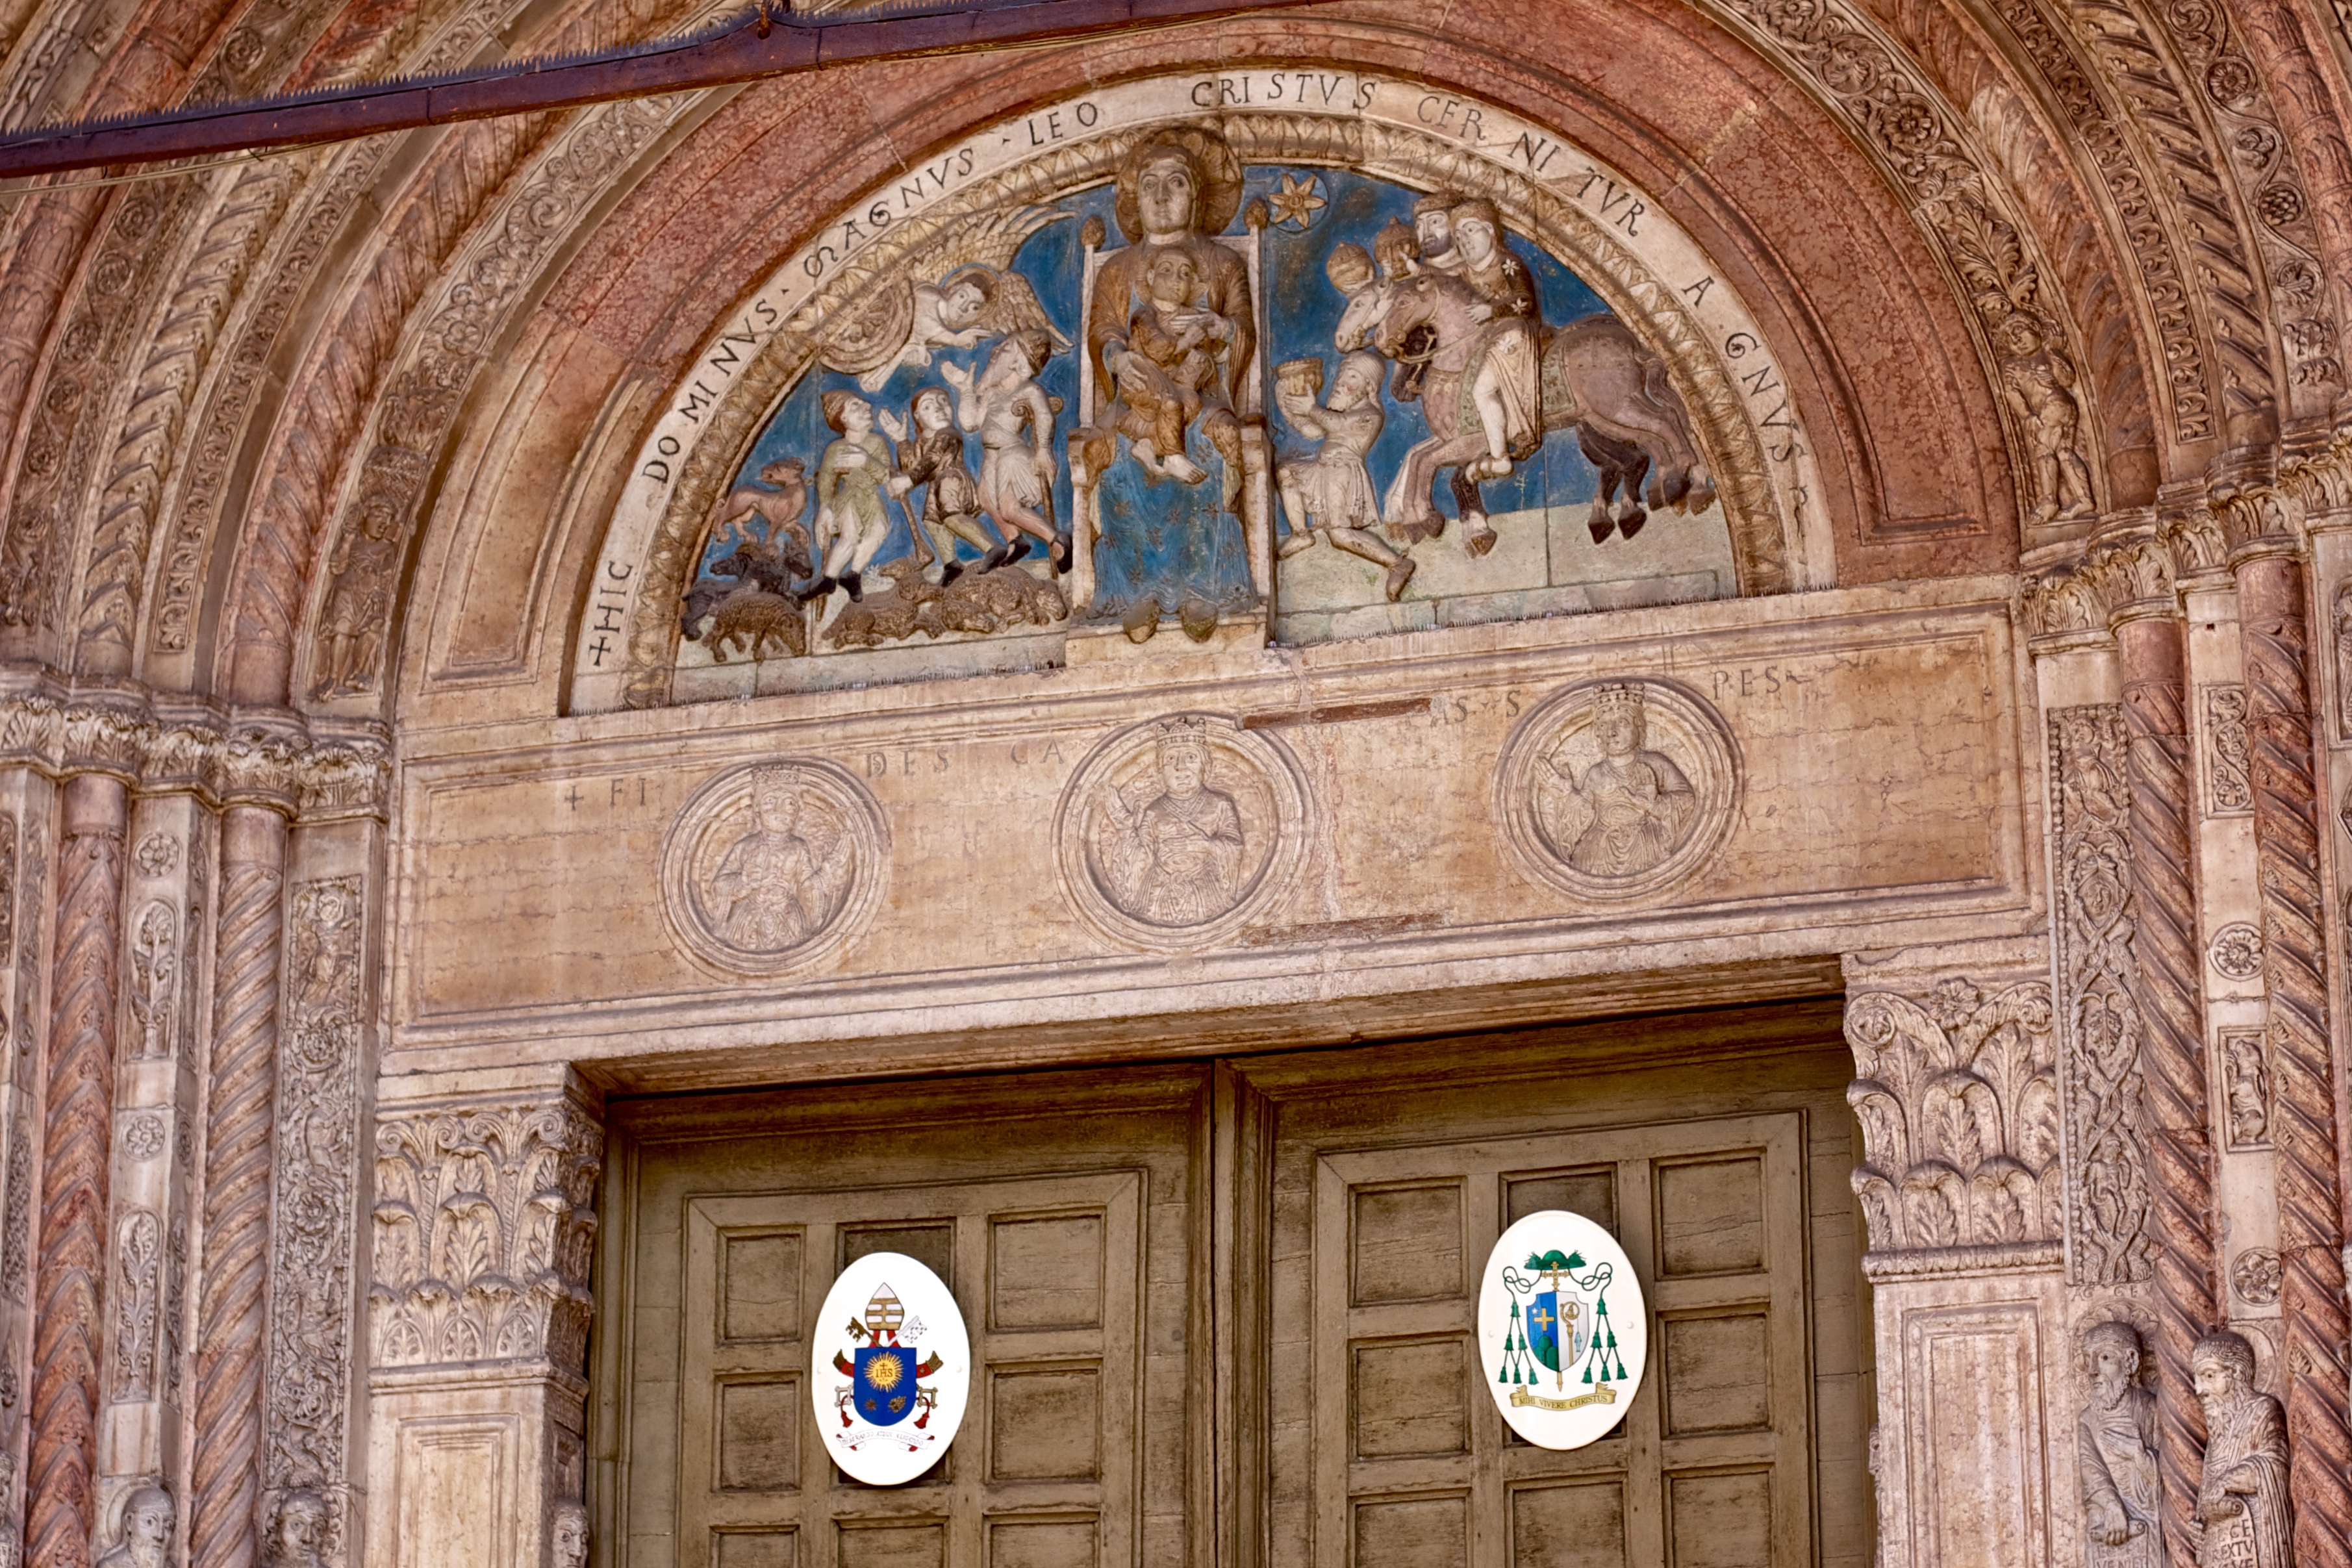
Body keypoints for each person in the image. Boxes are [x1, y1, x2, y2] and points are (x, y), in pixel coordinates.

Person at [1274, 351, 1415, 601]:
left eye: (1352, 377)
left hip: (1343, 473)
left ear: (1369, 386)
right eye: (1341, 376)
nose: (1341, 382)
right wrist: (1286, 406)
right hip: (1322, 468)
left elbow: (1336, 425)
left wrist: (1311, 408)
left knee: (1339, 536)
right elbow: (1312, 431)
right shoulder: (1339, 413)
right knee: (1286, 472)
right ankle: (1300, 534)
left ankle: (1397, 564)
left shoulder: (1371, 415)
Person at [1100, 720, 1247, 926]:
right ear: (1160, 771)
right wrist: (1126, 827)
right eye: (1171, 759)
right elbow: (1141, 858)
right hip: (1158, 890)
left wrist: (1207, 845)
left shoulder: (1220, 804)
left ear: (1206, 766)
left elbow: (1236, 847)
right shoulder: (1154, 811)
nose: (1181, 767)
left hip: (1206, 888)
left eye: (1191, 757)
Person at [1543, 684, 1699, 877]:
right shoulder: (1596, 772)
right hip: (1599, 849)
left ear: (1639, 727)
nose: (1611, 732)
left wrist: (1655, 804)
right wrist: (1565, 792)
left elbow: (1688, 800)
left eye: (1622, 722)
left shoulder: (1657, 763)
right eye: (1604, 725)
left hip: (1646, 844)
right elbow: (1582, 813)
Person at [944, 327, 1065, 570]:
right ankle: (1015, 540)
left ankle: (1057, 539)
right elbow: (970, 423)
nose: (996, 351)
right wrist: (965, 391)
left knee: (1009, 509)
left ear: (1020, 363)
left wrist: (1043, 450)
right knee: (986, 499)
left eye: (1006, 348)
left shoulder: (1029, 390)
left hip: (1012, 455)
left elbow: (1045, 418)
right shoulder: (992, 394)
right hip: (991, 454)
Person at [1448, 196, 1544, 480]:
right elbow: (1438, 278)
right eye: (1458, 236)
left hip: (1513, 332)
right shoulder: (1464, 272)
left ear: (1490, 231)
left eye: (1470, 230)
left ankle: (1500, 458)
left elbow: (1525, 301)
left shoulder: (1507, 263)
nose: (1464, 241)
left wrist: (1492, 310)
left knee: (1482, 390)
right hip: (1489, 337)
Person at [709, 768, 852, 952]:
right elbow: (718, 885)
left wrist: (828, 870)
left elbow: (807, 888)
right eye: (770, 801)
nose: (780, 810)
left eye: (790, 803)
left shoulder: (798, 847)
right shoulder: (744, 846)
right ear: (757, 808)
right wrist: (742, 883)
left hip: (788, 918)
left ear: (798, 811)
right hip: (748, 919)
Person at [2192, 1330, 2291, 1568]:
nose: (2199, 1390)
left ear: (2236, 1372)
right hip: (2223, 1551)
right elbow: (2209, 1495)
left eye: (2209, 1376)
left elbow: (2274, 1465)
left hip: (2256, 1542)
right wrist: (2201, 1528)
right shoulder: (2218, 1432)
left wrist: (2226, 1482)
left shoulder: (2263, 1409)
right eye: (2197, 1379)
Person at [881, 386, 994, 583]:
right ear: (917, 417)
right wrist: (901, 441)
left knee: (952, 518)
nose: (938, 408)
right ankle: (951, 564)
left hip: (952, 479)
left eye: (943, 401)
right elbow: (912, 466)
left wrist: (908, 481)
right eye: (927, 406)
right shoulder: (921, 441)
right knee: (932, 522)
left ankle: (992, 549)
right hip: (936, 484)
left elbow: (933, 459)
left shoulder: (948, 433)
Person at [2078, 1322, 2164, 1568]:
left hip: (2149, 1528)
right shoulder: (2088, 1419)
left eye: (2105, 1357)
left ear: (2132, 1361)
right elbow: (2091, 1472)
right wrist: (2112, 1506)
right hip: (2106, 1529)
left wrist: (2138, 1455)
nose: (2093, 1371)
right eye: (2088, 1359)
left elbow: (2175, 1472)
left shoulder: (2151, 1409)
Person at [801, 390, 896, 605]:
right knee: (850, 536)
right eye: (856, 406)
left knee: (879, 531)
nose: (866, 407)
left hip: (871, 496)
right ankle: (828, 579)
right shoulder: (835, 448)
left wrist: (865, 462)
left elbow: (885, 474)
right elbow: (826, 478)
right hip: (850, 497)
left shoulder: (877, 441)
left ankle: (853, 574)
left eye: (864, 404)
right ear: (843, 418)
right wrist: (825, 508)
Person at [96, 1486, 175, 1568]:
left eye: (168, 1526)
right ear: (129, 1522)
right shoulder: (110, 1566)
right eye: (149, 1522)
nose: (160, 1535)